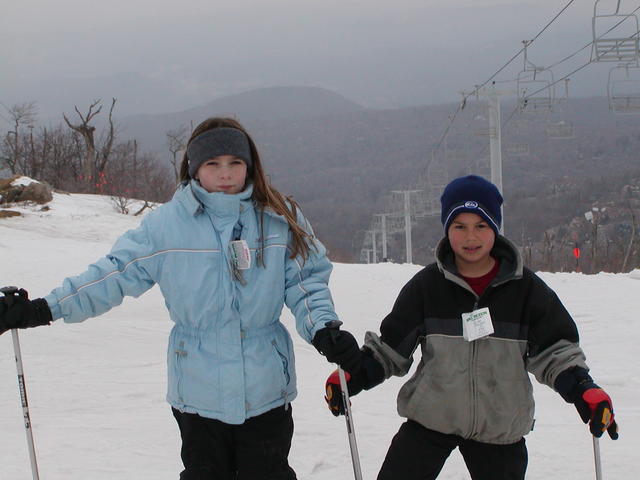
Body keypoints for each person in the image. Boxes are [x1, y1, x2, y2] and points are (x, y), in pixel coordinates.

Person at [0, 117, 362, 480]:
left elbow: (306, 282)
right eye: (212, 164)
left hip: (266, 386)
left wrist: (324, 329)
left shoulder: (278, 217)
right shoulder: (167, 226)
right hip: (198, 391)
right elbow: (111, 276)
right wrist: (43, 308)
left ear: (250, 166)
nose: (225, 174)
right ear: (193, 169)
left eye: (235, 163)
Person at [324, 175, 619, 480]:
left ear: (495, 228)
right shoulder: (427, 287)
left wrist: (584, 390)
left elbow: (557, 352)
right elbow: (390, 349)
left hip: (499, 424)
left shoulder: (526, 290)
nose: (470, 237)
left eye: (481, 225)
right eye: (459, 226)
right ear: (446, 230)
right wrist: (354, 375)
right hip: (432, 417)